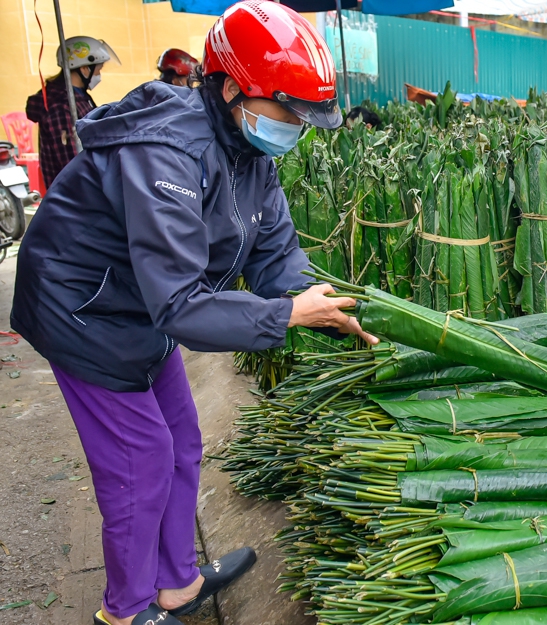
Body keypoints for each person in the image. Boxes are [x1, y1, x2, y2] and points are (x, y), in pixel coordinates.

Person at [10, 3, 368, 625]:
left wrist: (324, 303)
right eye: (291, 112)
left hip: (141, 306)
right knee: (139, 461)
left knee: (182, 441)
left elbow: (275, 250)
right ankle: (123, 610)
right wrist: (284, 315)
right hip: (84, 310)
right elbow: (179, 303)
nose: (298, 129)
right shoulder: (166, 150)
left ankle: (175, 583)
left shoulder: (249, 148)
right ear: (232, 88)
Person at [25, 36, 118, 189]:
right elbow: (70, 158)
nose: (99, 75)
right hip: (73, 192)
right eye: (98, 69)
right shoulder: (62, 106)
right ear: (84, 69)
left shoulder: (78, 96)